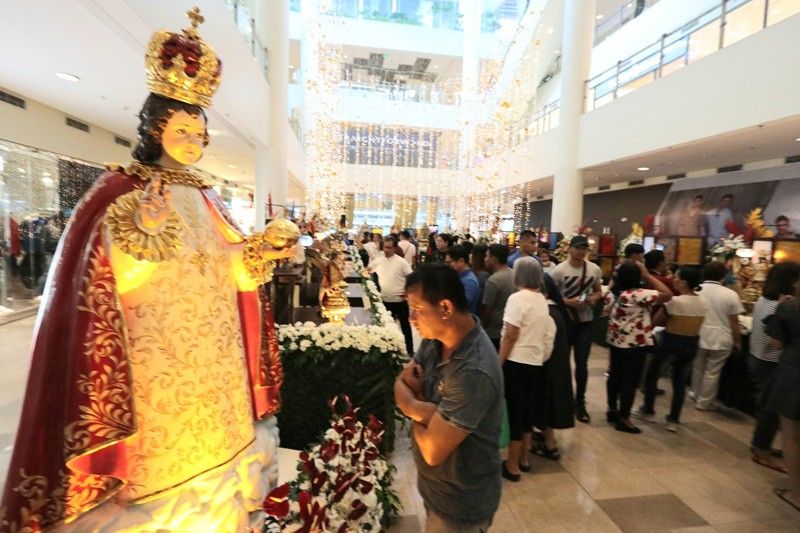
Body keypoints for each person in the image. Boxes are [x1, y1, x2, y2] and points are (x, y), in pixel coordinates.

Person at [1, 9, 296, 530]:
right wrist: (147, 236)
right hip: (156, 355)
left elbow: (232, 274)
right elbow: (105, 284)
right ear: (156, 128)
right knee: (164, 462)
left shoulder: (207, 196)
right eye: (184, 129)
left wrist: (260, 256)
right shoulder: (121, 191)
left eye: (200, 132)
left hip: (216, 359)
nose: (194, 141)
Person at [394, 265, 503, 531]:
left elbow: (432, 450)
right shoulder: (435, 340)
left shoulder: (474, 369)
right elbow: (403, 379)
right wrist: (429, 410)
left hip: (461, 502)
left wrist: (410, 403)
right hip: (436, 488)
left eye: (417, 310)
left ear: (445, 308)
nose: (411, 318)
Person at [498, 257, 555, 480]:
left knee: (514, 412)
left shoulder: (517, 299)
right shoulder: (541, 299)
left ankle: (512, 466)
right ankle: (525, 459)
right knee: (527, 411)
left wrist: (498, 361)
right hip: (535, 362)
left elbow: (511, 335)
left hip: (516, 362)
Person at [636, 267, 707, 431]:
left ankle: (648, 409)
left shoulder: (674, 302)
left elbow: (656, 320)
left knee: (653, 374)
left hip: (670, 343)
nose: (672, 279)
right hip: (691, 344)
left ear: (683, 282)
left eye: (675, 277)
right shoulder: (703, 302)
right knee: (679, 382)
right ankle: (674, 419)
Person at [604, 262, 672, 433]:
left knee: (614, 375)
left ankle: (612, 409)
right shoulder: (637, 294)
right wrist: (648, 275)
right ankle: (624, 418)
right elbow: (668, 294)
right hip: (634, 343)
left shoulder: (613, 293)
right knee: (630, 380)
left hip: (616, 340)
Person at [749, 262, 800, 472]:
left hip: (758, 357)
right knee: (770, 410)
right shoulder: (782, 305)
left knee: (768, 408)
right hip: (770, 361)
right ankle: (762, 451)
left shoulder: (765, 298)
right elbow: (776, 342)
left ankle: (763, 447)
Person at [550, 235, 603, 423]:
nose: (581, 252)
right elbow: (552, 296)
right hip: (565, 322)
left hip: (585, 321)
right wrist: (567, 302)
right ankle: (564, 401)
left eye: (584, 249)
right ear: (570, 249)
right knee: (562, 363)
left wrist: (595, 298)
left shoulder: (594, 269)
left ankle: (580, 402)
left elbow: (598, 290)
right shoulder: (559, 270)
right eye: (578, 248)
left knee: (582, 363)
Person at [692, 261, 745, 411]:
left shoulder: (697, 290)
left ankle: (696, 394)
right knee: (713, 371)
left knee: (698, 367)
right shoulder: (730, 294)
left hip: (699, 333)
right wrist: (738, 341)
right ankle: (704, 402)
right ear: (723, 275)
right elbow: (734, 322)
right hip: (722, 336)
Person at [765, 292, 800, 512]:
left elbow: (776, 344)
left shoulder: (790, 308)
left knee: (792, 436)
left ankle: (797, 494)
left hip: (794, 372)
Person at [534, 275, 576, 460]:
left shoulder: (546, 313)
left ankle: (550, 444)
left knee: (545, 404)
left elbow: (544, 348)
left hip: (548, 368)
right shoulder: (557, 310)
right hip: (557, 367)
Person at [369, 235, 414, 355]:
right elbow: (367, 270)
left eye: (389, 248)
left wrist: (407, 290)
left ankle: (410, 351)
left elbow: (411, 277)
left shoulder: (401, 262)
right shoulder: (378, 260)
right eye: (385, 247)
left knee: (405, 326)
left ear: (394, 248)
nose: (386, 250)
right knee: (385, 326)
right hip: (384, 299)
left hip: (400, 300)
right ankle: (386, 351)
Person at [482, 244, 516, 352]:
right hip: (509, 328)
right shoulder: (514, 273)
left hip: (493, 332)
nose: (485, 259)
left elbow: (487, 310)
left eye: (487, 256)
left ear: (494, 259)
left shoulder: (493, 280)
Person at [445, 245, 481, 315]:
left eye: (449, 262)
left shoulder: (469, 281)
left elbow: (461, 306)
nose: (448, 265)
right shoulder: (458, 276)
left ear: (461, 260)